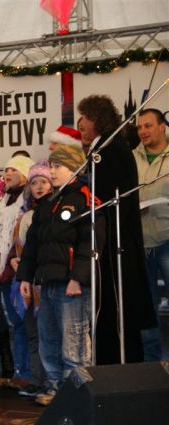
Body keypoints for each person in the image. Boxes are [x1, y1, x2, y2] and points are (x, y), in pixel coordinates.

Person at [17, 144, 104, 406]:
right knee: (49, 338)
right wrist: (25, 277)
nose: (52, 171)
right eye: (51, 166)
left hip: (71, 284)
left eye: (57, 167)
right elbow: (33, 244)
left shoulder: (86, 199)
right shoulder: (49, 204)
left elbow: (91, 243)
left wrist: (78, 277)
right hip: (48, 283)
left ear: (74, 168)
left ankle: (74, 391)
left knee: (74, 340)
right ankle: (54, 387)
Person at [77, 95, 156, 364]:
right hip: (110, 240)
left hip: (115, 242)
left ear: (97, 120)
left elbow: (106, 197)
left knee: (119, 309)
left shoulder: (109, 150)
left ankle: (119, 366)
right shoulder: (107, 148)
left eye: (85, 118)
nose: (81, 123)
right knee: (113, 310)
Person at [9, 160, 52, 398]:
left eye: (43, 181)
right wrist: (15, 261)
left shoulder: (53, 212)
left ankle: (51, 379)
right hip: (26, 282)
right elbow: (18, 246)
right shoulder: (25, 216)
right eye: (34, 182)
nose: (38, 186)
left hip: (44, 281)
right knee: (32, 332)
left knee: (48, 333)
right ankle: (36, 378)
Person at [0, 155, 34, 381]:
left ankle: (29, 373)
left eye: (13, 170)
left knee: (26, 324)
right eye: (5, 170)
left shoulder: (27, 202)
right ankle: (20, 372)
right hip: (6, 275)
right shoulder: (3, 201)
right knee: (16, 324)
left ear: (25, 175)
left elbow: (20, 240)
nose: (7, 174)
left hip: (20, 272)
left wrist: (9, 268)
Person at [132, 108, 169, 361]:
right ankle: (152, 366)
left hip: (167, 238)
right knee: (145, 308)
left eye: (148, 126)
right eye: (139, 127)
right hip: (139, 240)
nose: (143, 131)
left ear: (162, 126)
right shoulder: (131, 156)